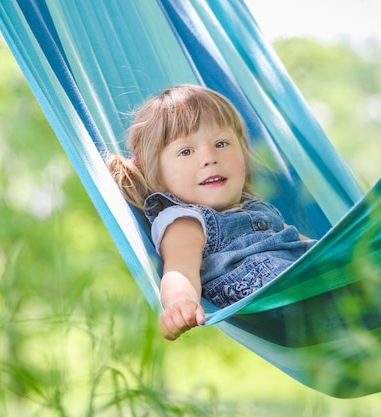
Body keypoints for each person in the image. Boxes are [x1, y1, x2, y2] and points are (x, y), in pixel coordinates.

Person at [106, 84, 315, 340]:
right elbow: (179, 270)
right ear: (157, 177)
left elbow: (307, 247)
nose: (209, 157)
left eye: (221, 143)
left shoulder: (256, 207)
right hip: (280, 302)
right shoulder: (185, 221)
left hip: (313, 279)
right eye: (186, 151)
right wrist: (180, 303)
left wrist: (344, 251)